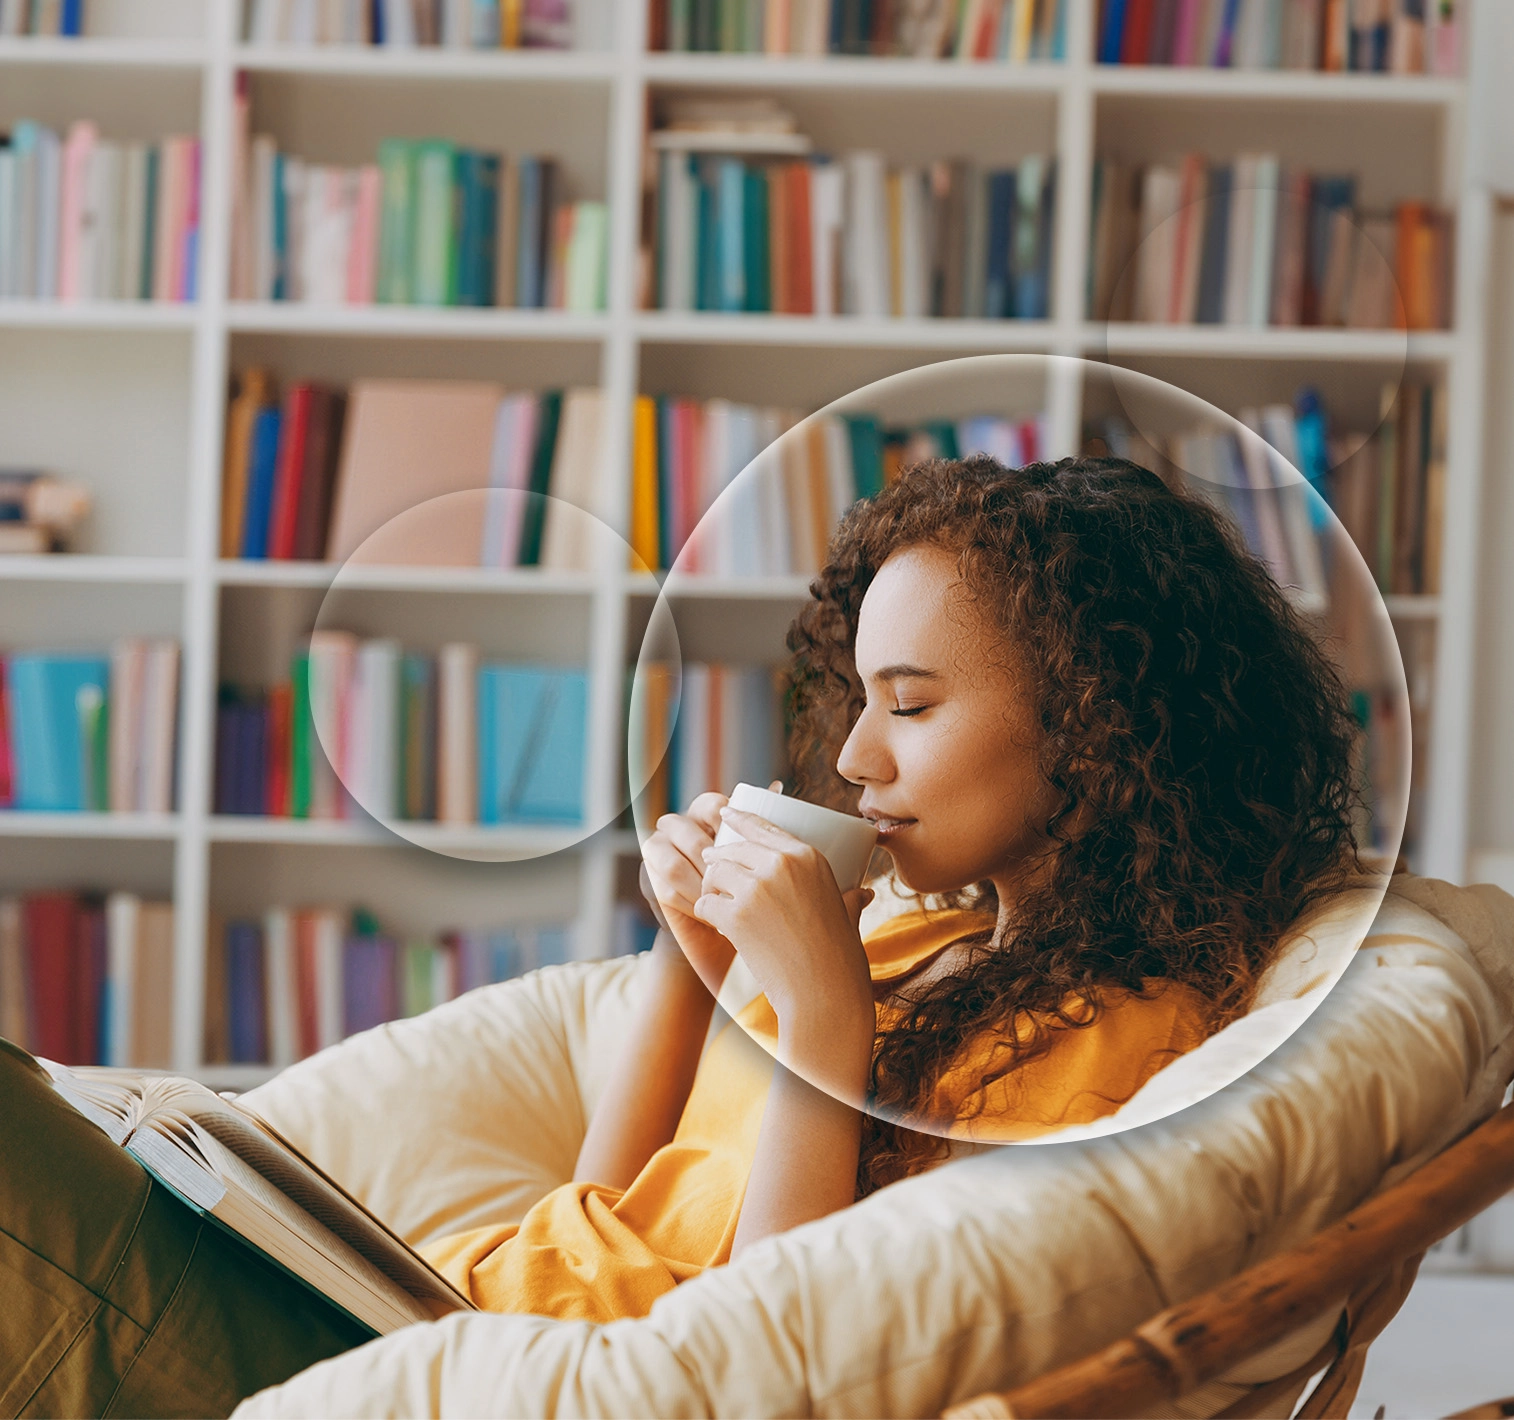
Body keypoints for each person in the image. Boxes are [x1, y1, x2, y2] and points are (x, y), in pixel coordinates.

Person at [0, 453, 1368, 1415]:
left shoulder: (1112, 1041)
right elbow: (598, 1211)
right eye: (857, 699)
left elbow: (794, 1359)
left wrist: (822, 1020)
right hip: (436, 1335)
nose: (851, 757)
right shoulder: (911, 943)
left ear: (1095, 727)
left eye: (910, 705)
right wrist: (691, 962)